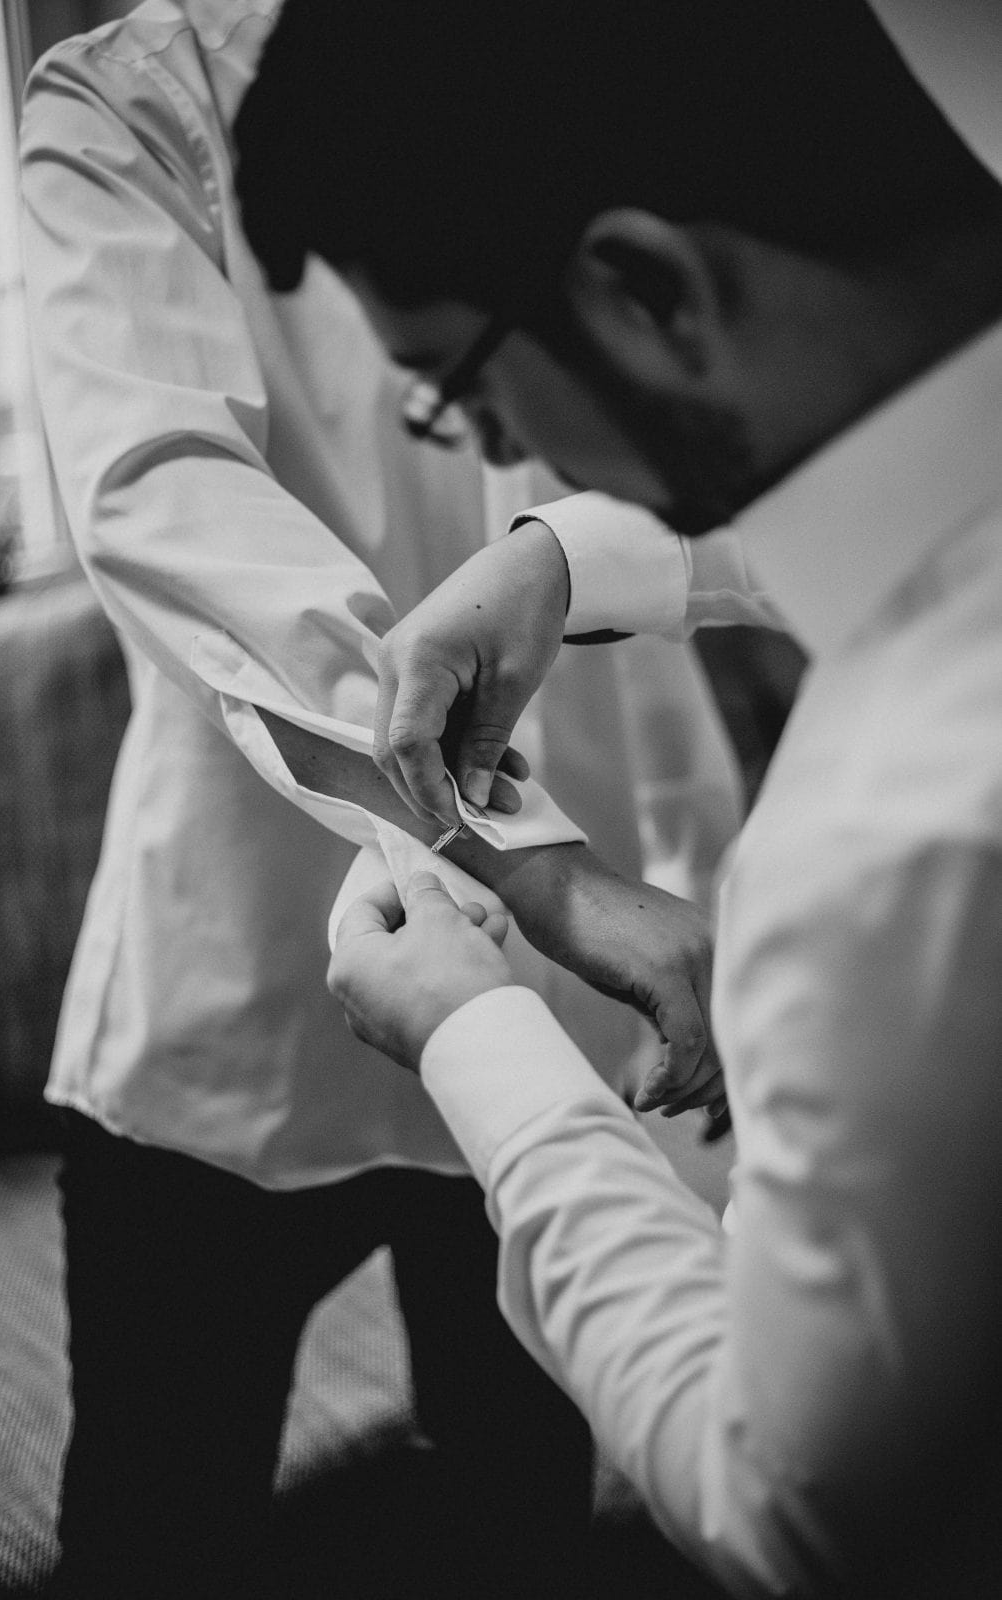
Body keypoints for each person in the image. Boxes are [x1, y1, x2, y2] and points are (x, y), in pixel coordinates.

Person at [235, 2, 1002, 1594]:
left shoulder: (895, 839)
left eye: (460, 385)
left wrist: (476, 1038)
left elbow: (799, 1516)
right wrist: (568, 555)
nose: (497, 448)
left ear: (647, 287)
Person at [18, 3, 742, 1596]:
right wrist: (539, 863)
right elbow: (171, 507)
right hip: (247, 980)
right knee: (156, 1521)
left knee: (521, 1516)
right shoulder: (128, 99)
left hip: (562, 1005)